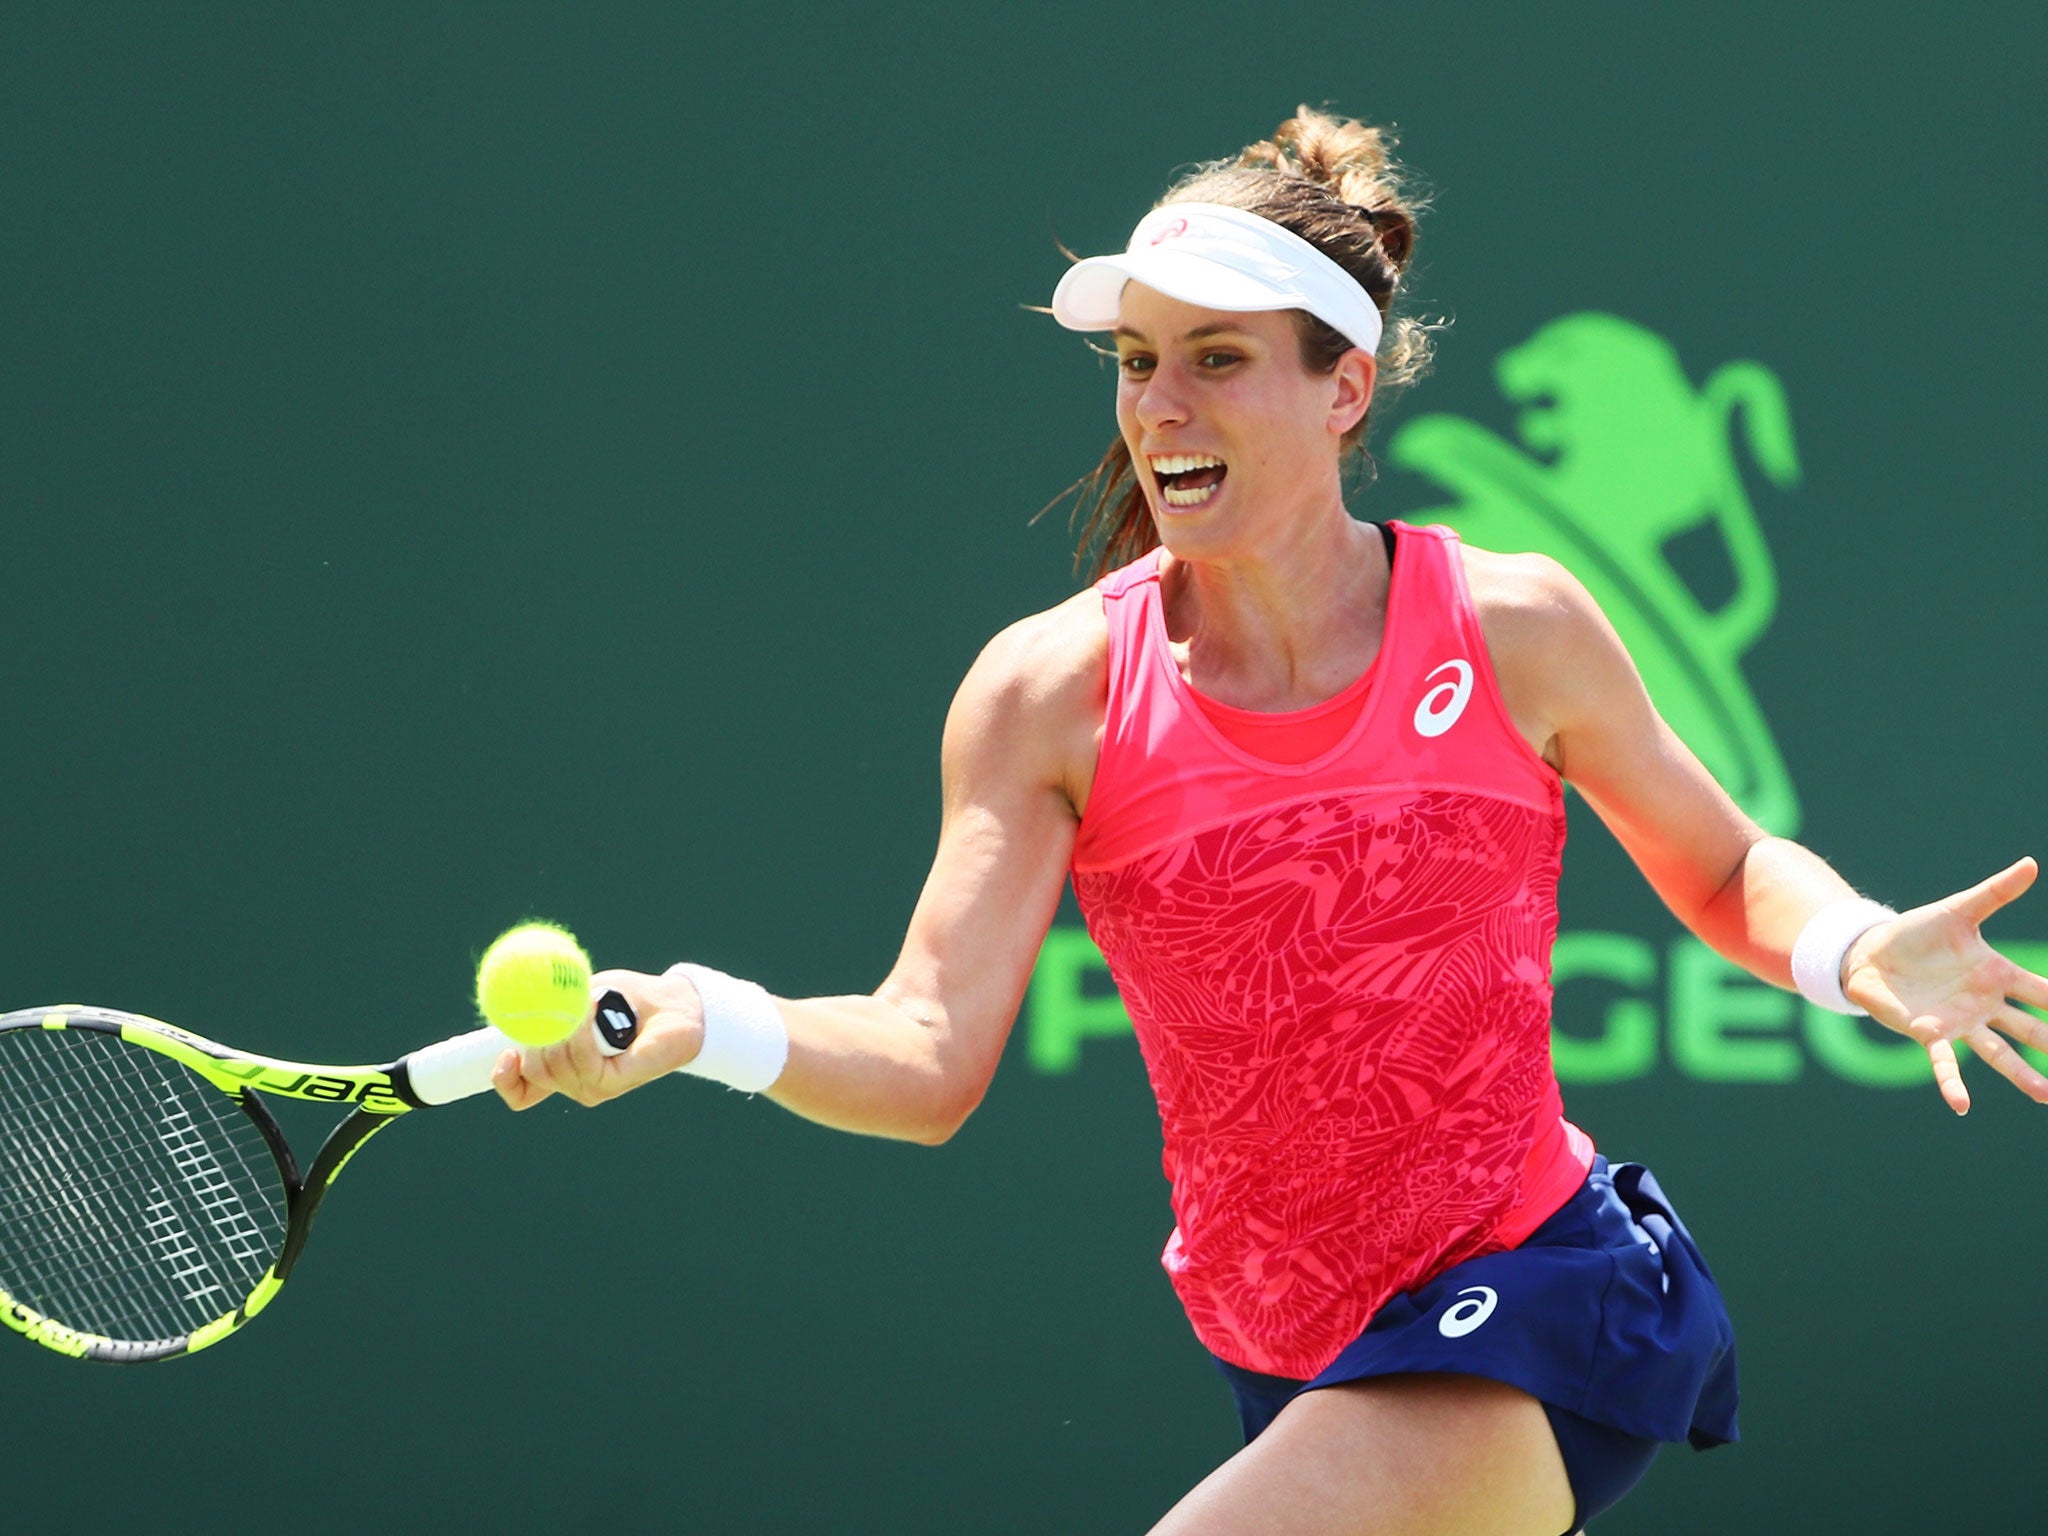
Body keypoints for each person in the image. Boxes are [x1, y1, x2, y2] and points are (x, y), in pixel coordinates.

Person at [492, 108, 2048, 1536]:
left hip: (1543, 1294)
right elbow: (926, 1058)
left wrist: (1852, 947)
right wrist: (704, 1017)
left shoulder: (1512, 629)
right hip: (1291, 1357)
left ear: (1345, 387)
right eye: (1135, 361)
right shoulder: (1048, 695)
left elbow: (1720, 867)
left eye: (1218, 360)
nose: (1158, 405)